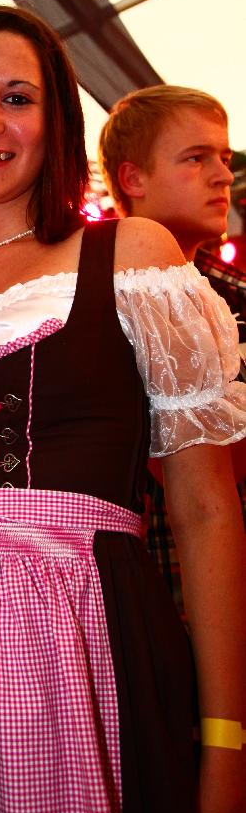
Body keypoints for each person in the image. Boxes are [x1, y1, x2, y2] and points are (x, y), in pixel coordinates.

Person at [0, 6, 246, 813]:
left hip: (92, 640)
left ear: (57, 119)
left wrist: (226, 743)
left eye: (17, 98)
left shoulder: (127, 256)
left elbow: (205, 510)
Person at [99, 85, 246, 616]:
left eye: (224, 158)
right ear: (133, 179)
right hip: (141, 594)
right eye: (196, 158)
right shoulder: (89, 299)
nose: (224, 175)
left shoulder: (236, 295)